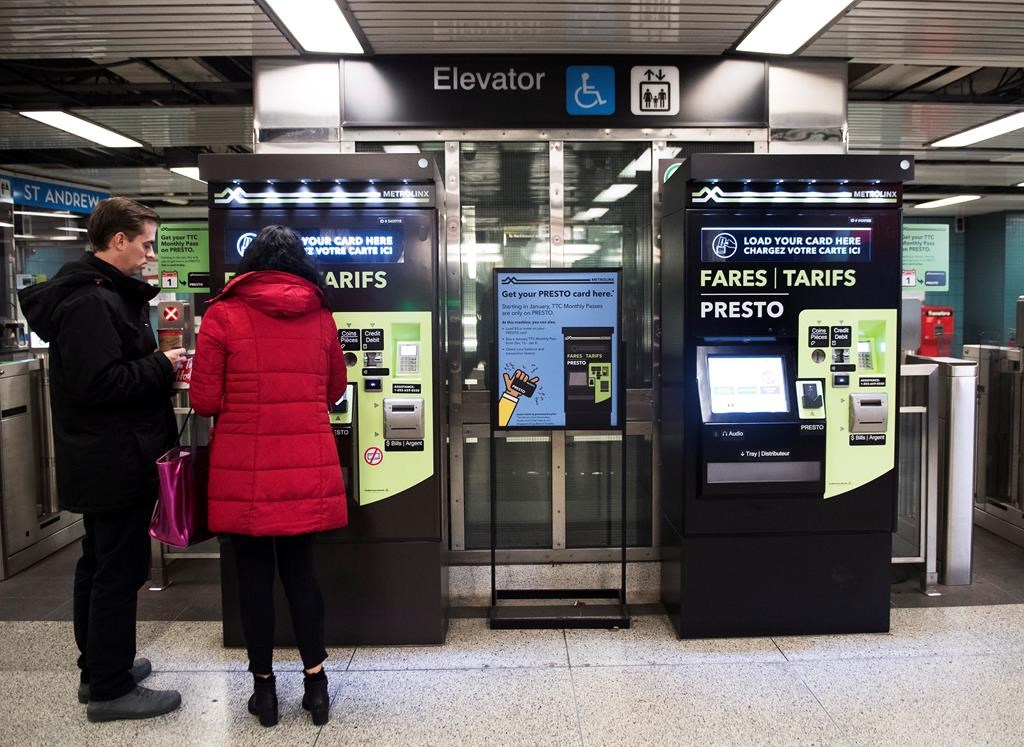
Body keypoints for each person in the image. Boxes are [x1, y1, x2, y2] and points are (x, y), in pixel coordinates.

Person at [18, 197, 185, 722]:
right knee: (118, 568)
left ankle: (98, 668)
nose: (149, 254)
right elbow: (100, 384)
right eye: (145, 243)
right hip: (113, 456)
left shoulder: (98, 295)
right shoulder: (93, 303)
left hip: (104, 453)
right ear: (118, 241)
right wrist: (160, 364)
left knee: (98, 562)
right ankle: (110, 687)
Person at [190, 225, 347, 728]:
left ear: (249, 264)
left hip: (246, 472)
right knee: (301, 575)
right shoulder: (320, 316)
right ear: (299, 264)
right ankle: (317, 687)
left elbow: (204, 401)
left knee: (253, 580)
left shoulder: (221, 314)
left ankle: (265, 694)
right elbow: (334, 390)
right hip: (306, 465)